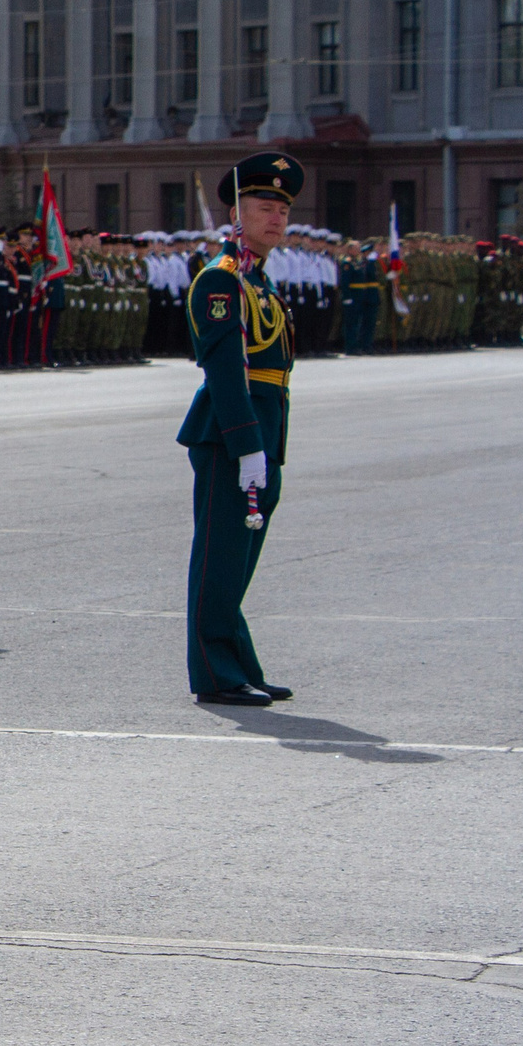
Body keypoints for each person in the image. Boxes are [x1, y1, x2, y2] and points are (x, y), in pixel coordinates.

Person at [181, 153, 302, 707]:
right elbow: (226, 371)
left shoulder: (259, 279)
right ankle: (214, 672)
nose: (276, 217)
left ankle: (239, 664)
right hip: (232, 436)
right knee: (220, 556)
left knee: (239, 560)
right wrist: (248, 444)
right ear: (236, 212)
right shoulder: (221, 280)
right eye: (263, 206)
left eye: (282, 208)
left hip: (261, 434)